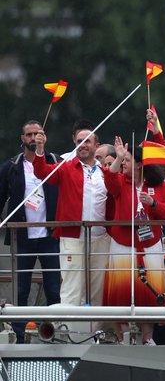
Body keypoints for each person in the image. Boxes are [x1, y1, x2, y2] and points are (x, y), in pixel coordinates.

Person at [102, 138, 165, 344]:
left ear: (140, 164)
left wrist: (153, 203)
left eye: (128, 160)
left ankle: (147, 338)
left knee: (149, 293)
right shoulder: (120, 183)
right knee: (120, 293)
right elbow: (109, 179)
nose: (123, 163)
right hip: (123, 244)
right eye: (123, 160)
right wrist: (119, 157)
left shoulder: (160, 186)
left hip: (150, 244)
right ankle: (125, 336)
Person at [32, 121, 109, 311]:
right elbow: (42, 172)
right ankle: (70, 335)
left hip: (101, 238)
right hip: (72, 237)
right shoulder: (65, 167)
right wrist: (40, 149)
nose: (83, 145)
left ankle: (97, 336)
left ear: (96, 146)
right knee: (72, 289)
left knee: (98, 291)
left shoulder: (105, 171)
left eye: (87, 141)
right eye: (79, 141)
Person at [0, 121, 61, 341]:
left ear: (44, 136)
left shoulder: (55, 162)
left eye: (38, 134)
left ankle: (56, 333)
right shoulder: (11, 166)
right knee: (21, 289)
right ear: (22, 138)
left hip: (50, 236)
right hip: (22, 237)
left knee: (54, 287)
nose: (33, 138)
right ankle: (18, 334)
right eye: (29, 134)